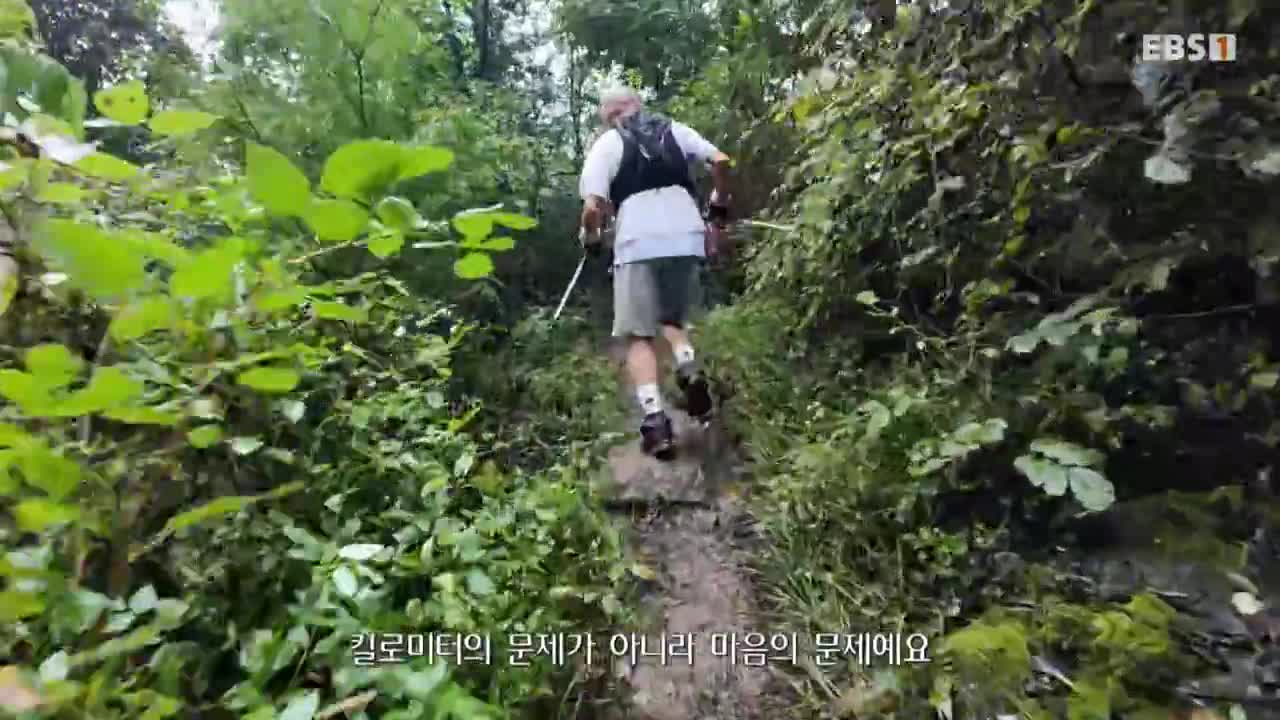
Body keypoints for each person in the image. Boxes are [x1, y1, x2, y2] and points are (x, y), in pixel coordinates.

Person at [577, 88, 733, 457]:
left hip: (637, 241)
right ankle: (688, 366)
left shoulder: (608, 144)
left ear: (609, 115)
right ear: (638, 106)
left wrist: (592, 238)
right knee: (671, 318)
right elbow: (721, 160)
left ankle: (656, 424)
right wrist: (719, 205)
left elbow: (592, 208)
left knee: (638, 336)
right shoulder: (674, 130)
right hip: (686, 235)